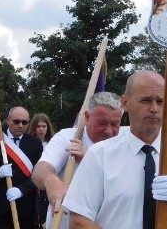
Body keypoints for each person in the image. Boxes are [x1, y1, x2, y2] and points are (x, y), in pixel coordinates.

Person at [62, 70, 167, 228]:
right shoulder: (99, 156)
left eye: (160, 101)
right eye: (146, 100)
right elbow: (78, 222)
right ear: (125, 103)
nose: (154, 108)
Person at [31, 92, 123, 229]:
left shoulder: (124, 145)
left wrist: (88, 160)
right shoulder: (67, 137)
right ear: (87, 117)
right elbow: (40, 170)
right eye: (102, 123)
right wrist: (52, 182)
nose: (109, 131)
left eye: (115, 124)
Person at [0, 106, 43, 229]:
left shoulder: (35, 143)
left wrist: (21, 190)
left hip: (25, 207)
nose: (21, 125)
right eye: (17, 121)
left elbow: (39, 174)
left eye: (25, 122)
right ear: (8, 120)